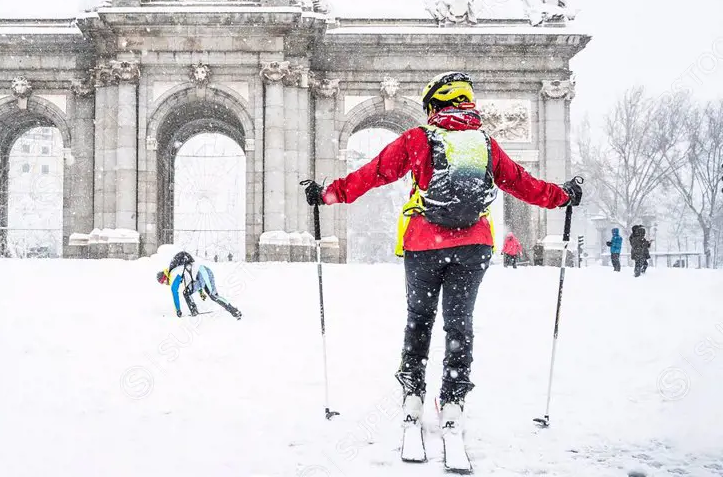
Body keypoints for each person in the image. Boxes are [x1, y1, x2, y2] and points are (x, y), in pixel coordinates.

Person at [302, 71, 582, 436]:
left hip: (424, 245)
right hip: (473, 246)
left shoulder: (418, 139)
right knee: (459, 324)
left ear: (435, 107)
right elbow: (522, 184)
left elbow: (375, 173)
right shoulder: (486, 144)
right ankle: (453, 399)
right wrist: (562, 195)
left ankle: (414, 394)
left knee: (419, 319)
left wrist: (328, 194)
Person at [156, 251, 241, 320]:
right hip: (200, 275)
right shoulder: (176, 271)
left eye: (163, 281)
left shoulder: (173, 274)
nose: (165, 283)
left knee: (213, 296)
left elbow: (174, 291)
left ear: (165, 276)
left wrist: (178, 310)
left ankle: (234, 311)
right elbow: (192, 278)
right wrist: (201, 292)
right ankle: (194, 312)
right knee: (186, 292)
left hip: (203, 272)